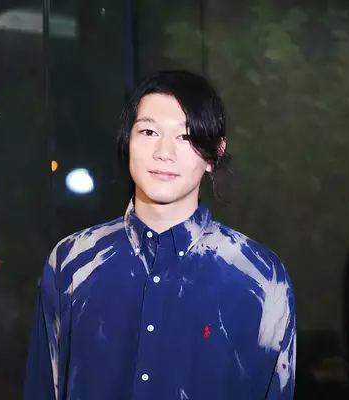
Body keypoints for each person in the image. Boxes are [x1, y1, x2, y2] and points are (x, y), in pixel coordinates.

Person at [23, 70, 296, 400]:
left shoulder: (260, 277)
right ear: (128, 140)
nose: (164, 152)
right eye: (149, 131)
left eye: (185, 136)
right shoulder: (71, 263)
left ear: (215, 152)